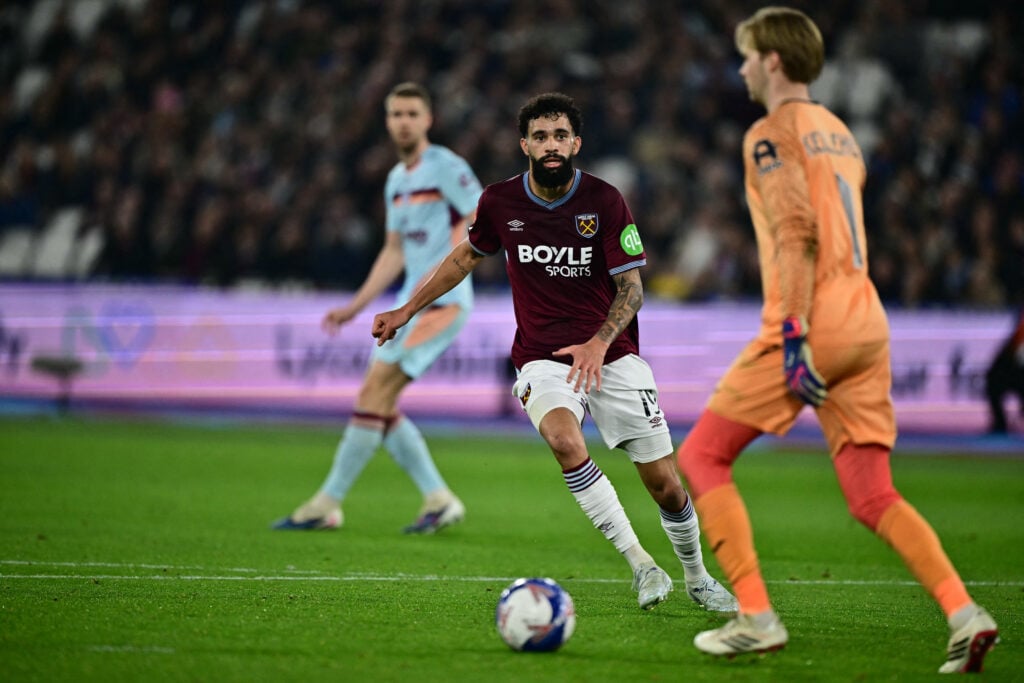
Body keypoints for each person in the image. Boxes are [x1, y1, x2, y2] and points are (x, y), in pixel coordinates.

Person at [675, 7, 998, 673]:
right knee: (872, 493)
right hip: (867, 318)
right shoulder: (840, 133)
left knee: (703, 456)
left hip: (811, 318)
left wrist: (794, 337)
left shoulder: (769, 134)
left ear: (772, 60)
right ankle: (965, 612)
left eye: (746, 56)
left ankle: (755, 613)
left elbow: (797, 233)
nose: (739, 68)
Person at [372, 92, 736, 612]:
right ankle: (642, 565)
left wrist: (597, 343)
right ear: (525, 144)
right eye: (540, 136)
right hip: (541, 356)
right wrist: (407, 309)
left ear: (575, 143)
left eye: (560, 136)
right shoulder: (500, 202)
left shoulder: (605, 201)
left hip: (611, 354)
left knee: (664, 484)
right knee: (565, 442)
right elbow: (463, 258)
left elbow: (632, 289)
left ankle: (697, 576)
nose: (550, 145)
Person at [273, 82, 483, 534]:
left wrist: (455, 255)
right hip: (407, 303)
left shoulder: (446, 167)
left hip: (441, 302)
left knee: (374, 396)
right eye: (395, 114)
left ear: (428, 120)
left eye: (412, 113)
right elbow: (393, 251)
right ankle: (438, 497)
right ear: (387, 121)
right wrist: (355, 305)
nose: (403, 121)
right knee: (379, 403)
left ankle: (326, 504)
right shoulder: (396, 181)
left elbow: (480, 217)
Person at [984, 305, 1024, 434]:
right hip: (1010, 371)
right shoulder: (1019, 335)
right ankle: (1000, 424)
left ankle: (1000, 424)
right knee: (993, 384)